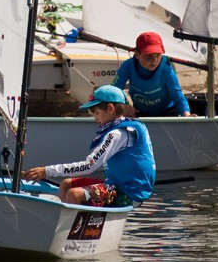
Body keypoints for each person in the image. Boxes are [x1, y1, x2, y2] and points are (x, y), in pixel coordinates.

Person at [23, 85, 155, 206]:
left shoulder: (118, 134)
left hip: (129, 193)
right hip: (117, 185)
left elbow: (89, 166)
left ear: (110, 108)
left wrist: (46, 171)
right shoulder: (126, 127)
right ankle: (68, 222)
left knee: (74, 194)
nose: (95, 119)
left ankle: (78, 229)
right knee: (66, 185)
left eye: (97, 113)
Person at [112, 32, 191, 117]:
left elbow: (178, 97)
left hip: (167, 112)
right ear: (137, 54)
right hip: (140, 112)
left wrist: (186, 114)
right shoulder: (127, 66)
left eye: (157, 55)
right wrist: (123, 104)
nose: (154, 60)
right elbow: (113, 91)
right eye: (149, 56)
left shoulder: (166, 69)